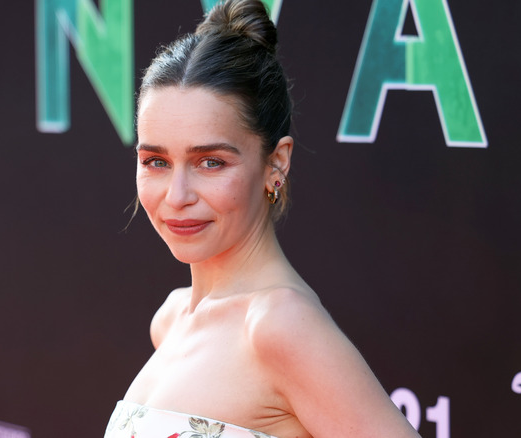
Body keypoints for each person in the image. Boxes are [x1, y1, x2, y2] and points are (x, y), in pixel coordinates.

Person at [104, 1, 420, 437]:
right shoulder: (172, 319)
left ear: (276, 163)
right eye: (156, 161)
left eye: (211, 163)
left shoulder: (280, 326)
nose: (177, 197)